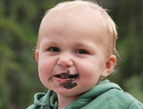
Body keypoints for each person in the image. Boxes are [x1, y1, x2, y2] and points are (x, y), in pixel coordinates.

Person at [27, 0, 143, 109]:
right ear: (39, 58)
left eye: (81, 51)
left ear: (106, 65)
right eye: (53, 49)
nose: (64, 60)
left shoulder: (120, 105)